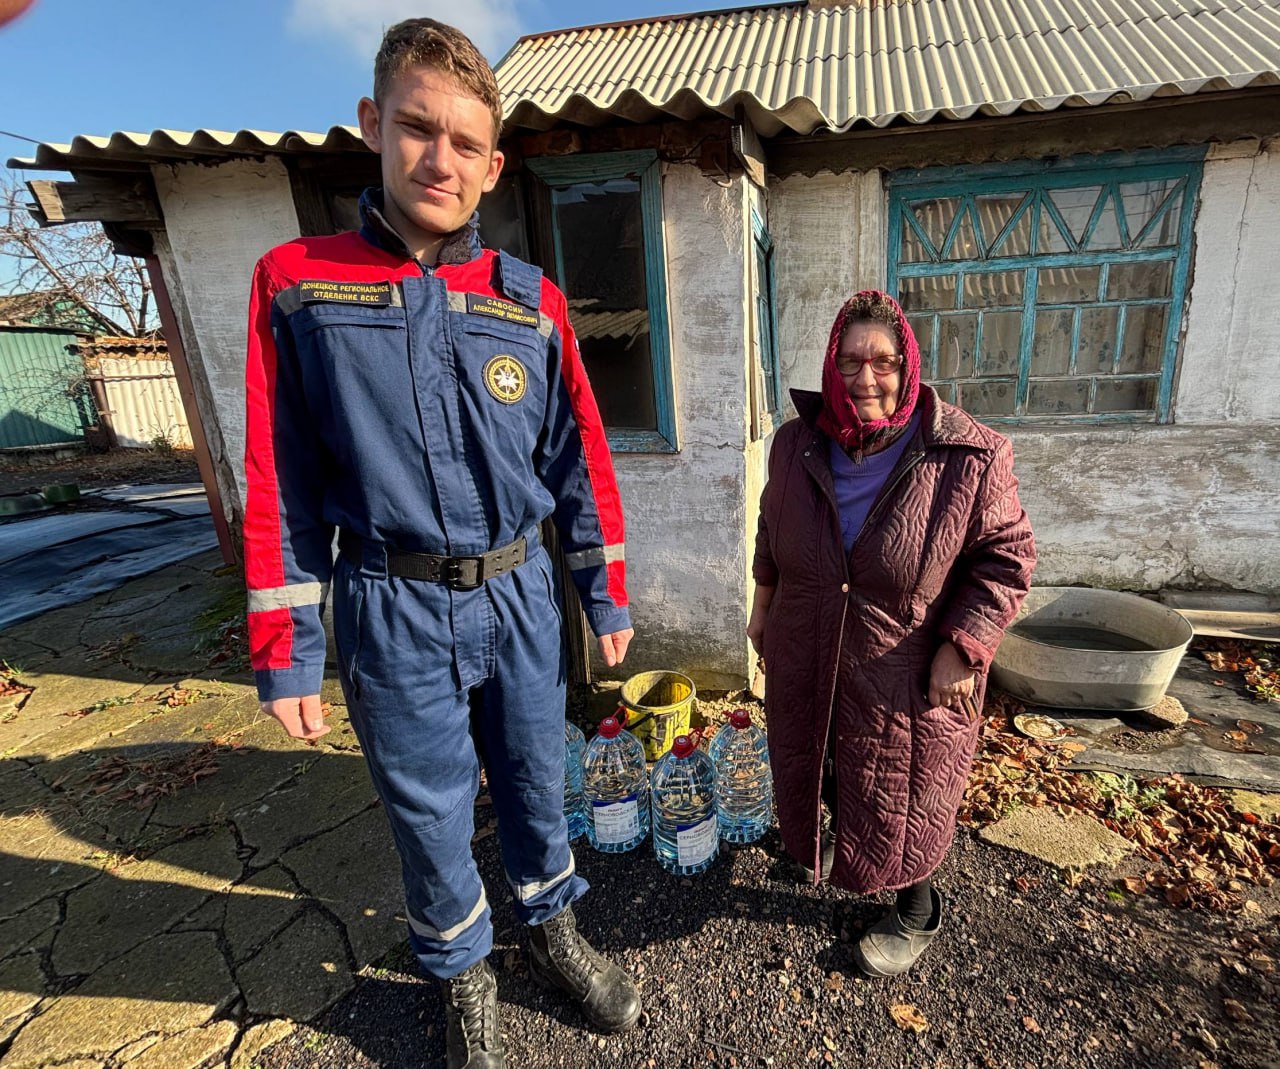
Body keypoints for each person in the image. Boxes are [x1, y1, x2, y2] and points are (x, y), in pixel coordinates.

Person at [242, 19, 640, 1067]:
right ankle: (463, 973)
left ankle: (551, 928)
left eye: (466, 142)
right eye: (417, 128)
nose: (439, 159)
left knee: (535, 773)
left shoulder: (531, 303)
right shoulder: (298, 282)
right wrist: (289, 646)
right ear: (372, 125)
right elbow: (277, 475)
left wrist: (603, 595)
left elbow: (578, 459)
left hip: (517, 597)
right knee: (424, 809)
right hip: (389, 600)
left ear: (493, 164)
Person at [748, 289, 1036, 978]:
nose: (865, 378)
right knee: (818, 759)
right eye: (850, 362)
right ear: (829, 364)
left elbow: (1009, 554)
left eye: (882, 361)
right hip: (808, 642)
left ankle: (916, 907)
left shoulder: (968, 453)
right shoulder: (795, 443)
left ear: (907, 366)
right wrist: (762, 610)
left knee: (902, 790)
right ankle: (834, 848)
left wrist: (964, 645)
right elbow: (770, 528)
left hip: (905, 662)